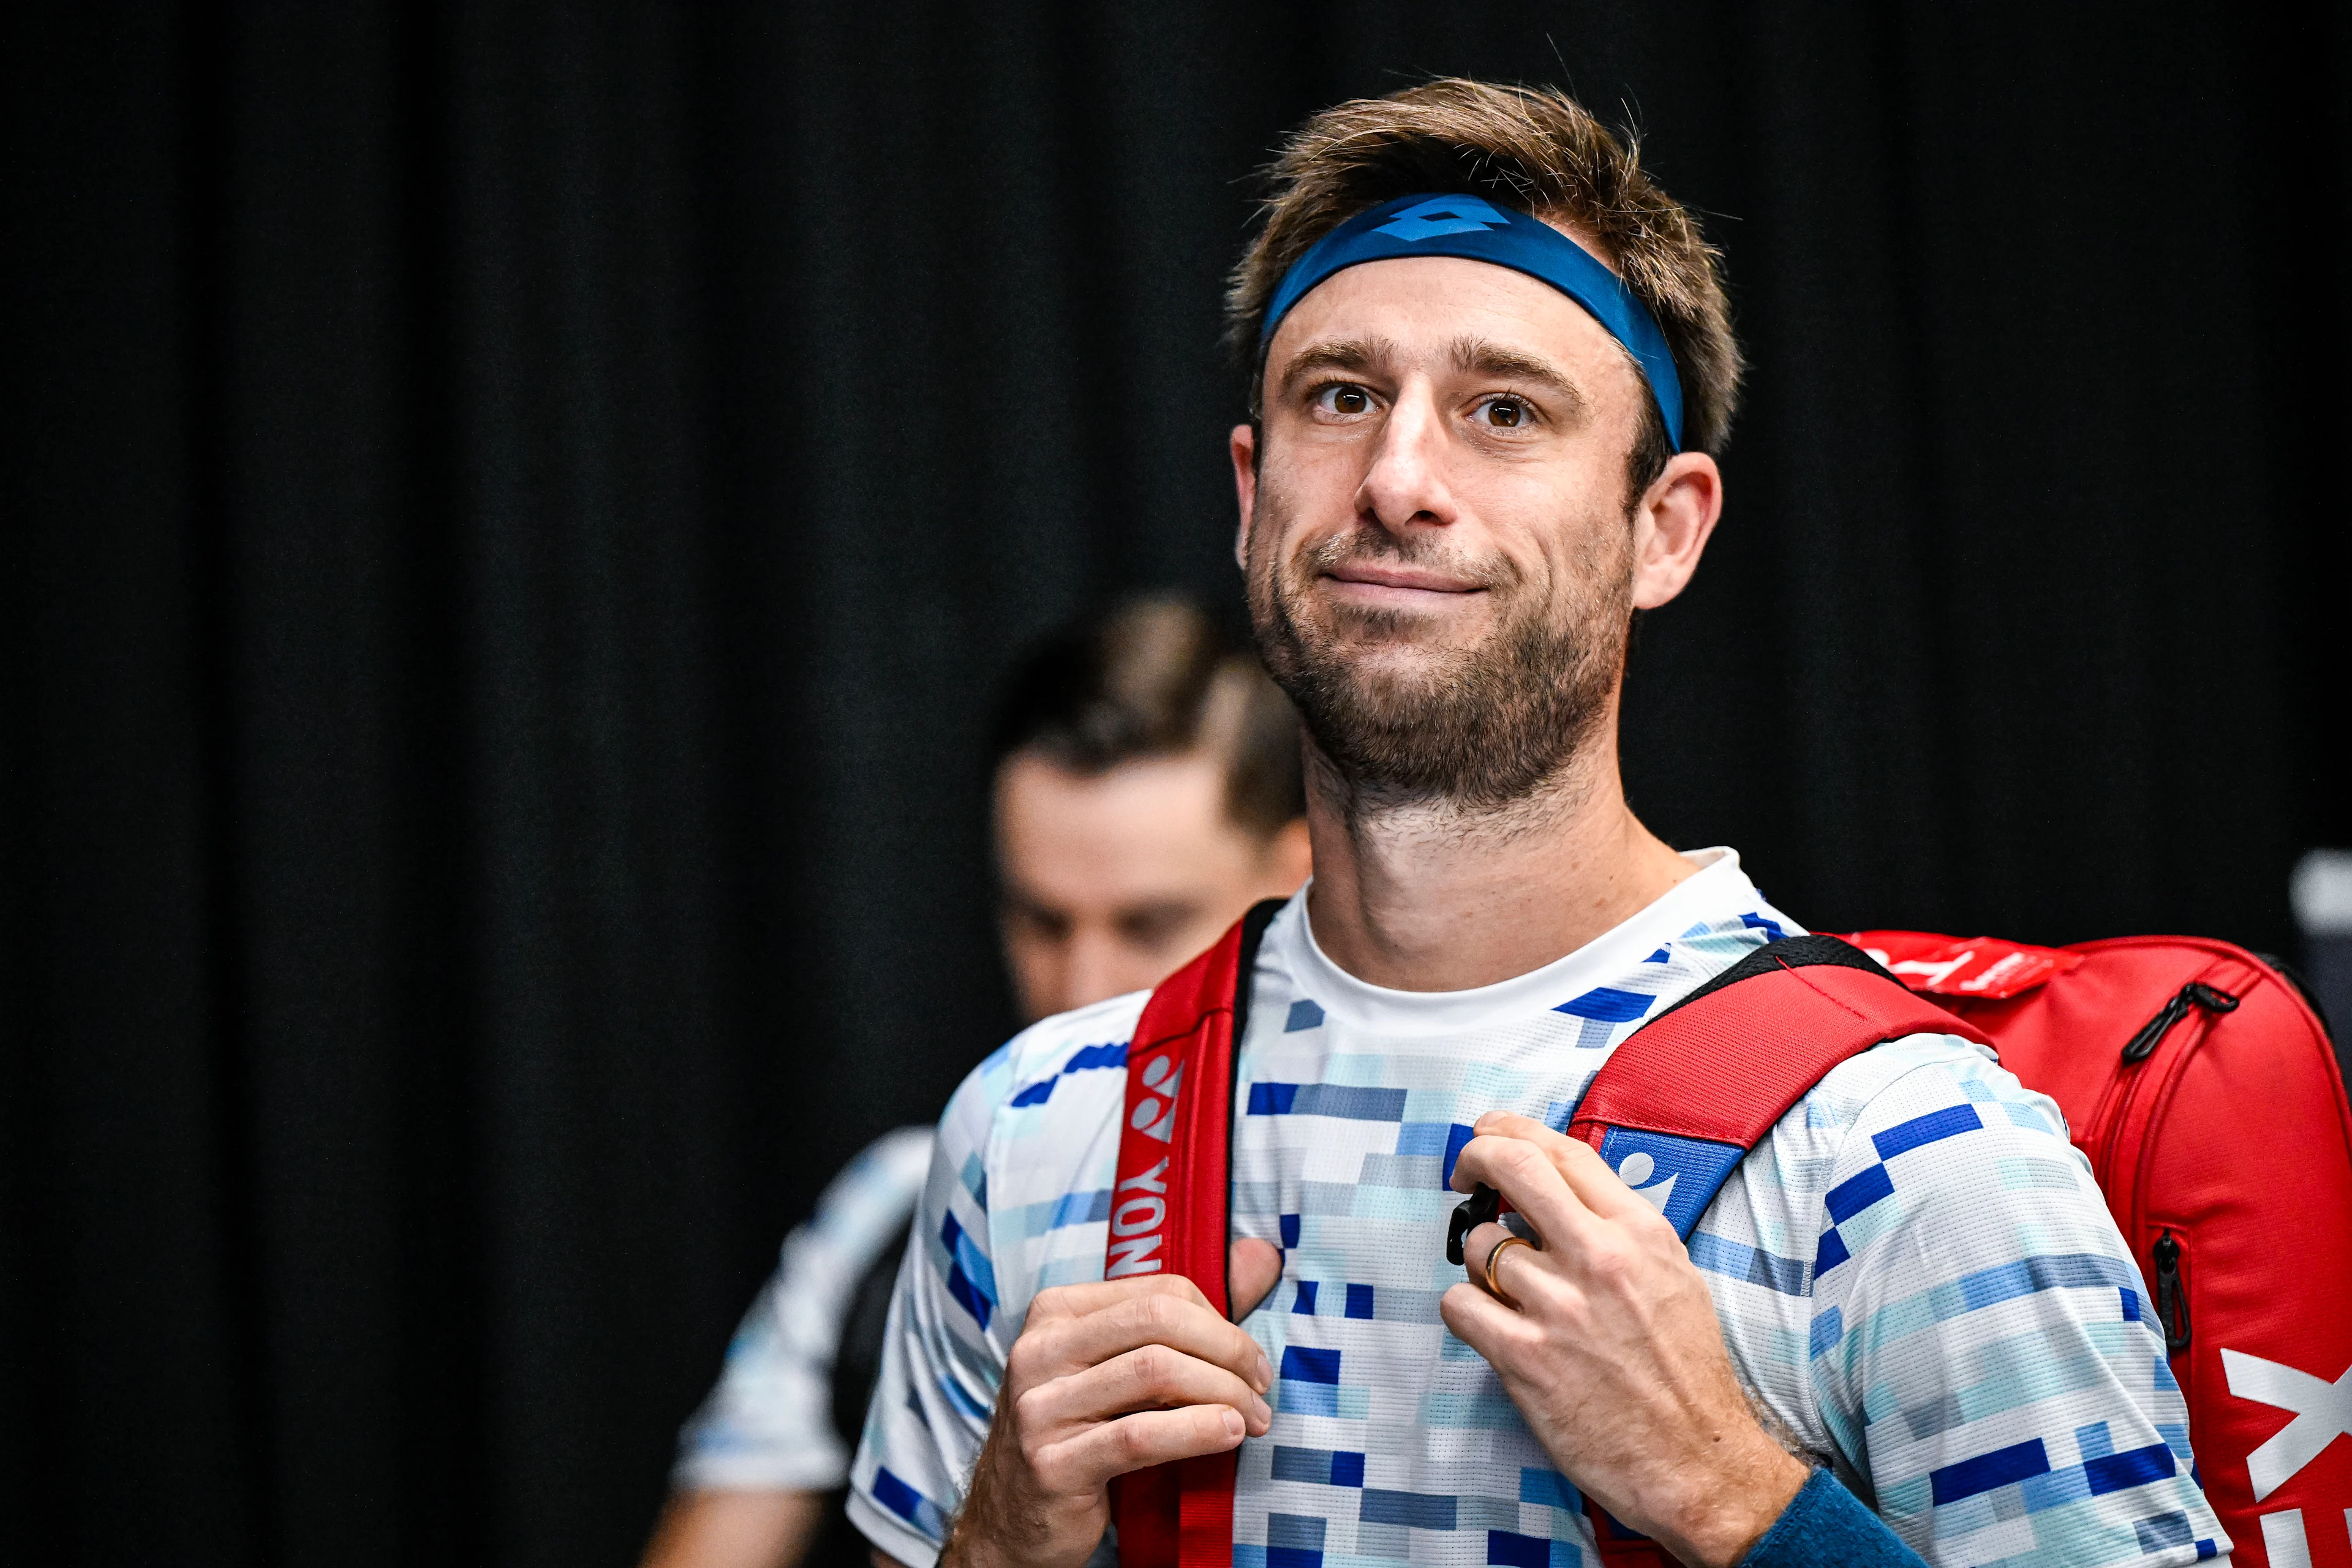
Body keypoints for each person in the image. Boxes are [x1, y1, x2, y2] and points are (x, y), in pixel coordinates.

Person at [848, 80, 2228, 1568]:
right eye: (1340, 396)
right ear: (1251, 495)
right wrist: (990, 1547)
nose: (1397, 480)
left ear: (1666, 528)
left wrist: (1737, 1498)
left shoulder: (1908, 1152)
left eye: (1504, 409)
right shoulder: (1041, 1128)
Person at [641, 598, 1313, 1568]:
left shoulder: (1383, 1184)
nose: (1080, 990)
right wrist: (992, 1531)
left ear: (1297, 881)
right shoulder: (896, 1209)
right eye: (1042, 921)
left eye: (1149, 924)